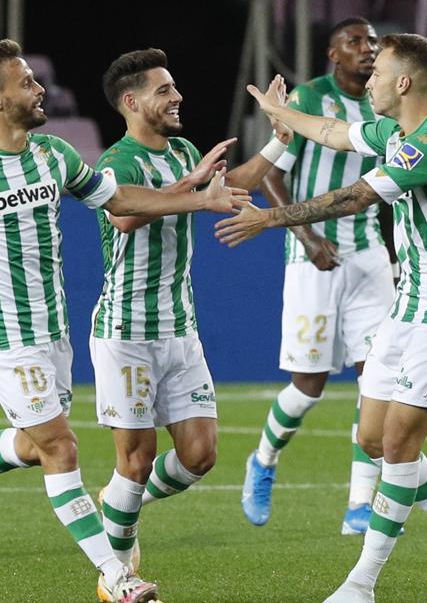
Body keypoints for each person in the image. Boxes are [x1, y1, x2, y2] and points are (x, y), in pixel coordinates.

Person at [0, 39, 250, 603]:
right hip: (2, 336)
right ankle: (117, 576)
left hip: (53, 332)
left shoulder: (55, 155)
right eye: (26, 82)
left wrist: (191, 195)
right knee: (62, 448)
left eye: (35, 79)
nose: (39, 89)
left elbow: (119, 202)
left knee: (35, 446)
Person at [218, 33, 427, 603]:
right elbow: (333, 133)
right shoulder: (395, 133)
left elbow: (354, 198)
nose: (367, 79)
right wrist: (278, 111)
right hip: (411, 300)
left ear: (403, 82)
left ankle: (361, 584)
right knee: (372, 439)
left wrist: (270, 220)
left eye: (378, 73)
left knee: (397, 442)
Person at [89, 48, 295, 601]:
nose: (177, 97)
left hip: (180, 329)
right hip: (126, 332)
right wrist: (193, 189)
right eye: (164, 90)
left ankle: (119, 505)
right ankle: (117, 575)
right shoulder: (118, 161)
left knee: (200, 456)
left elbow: (235, 184)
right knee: (134, 460)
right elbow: (124, 215)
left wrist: (280, 139)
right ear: (131, 102)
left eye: (175, 87)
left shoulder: (181, 150)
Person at [242, 17, 398, 535]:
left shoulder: (385, 105)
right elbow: (271, 173)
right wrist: (308, 239)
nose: (367, 49)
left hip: (369, 255)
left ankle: (359, 504)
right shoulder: (310, 99)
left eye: (373, 41)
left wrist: (394, 251)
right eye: (355, 41)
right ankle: (263, 460)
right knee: (308, 386)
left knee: (375, 380)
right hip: (312, 258)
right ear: (333, 53)